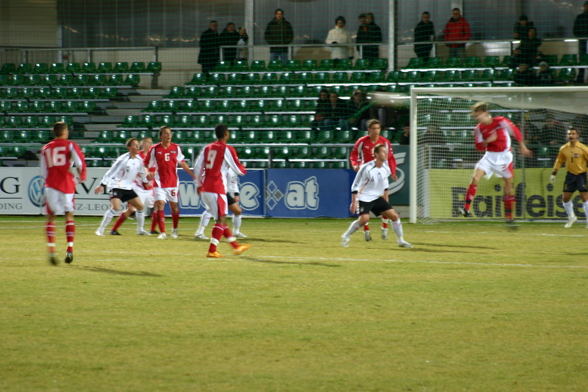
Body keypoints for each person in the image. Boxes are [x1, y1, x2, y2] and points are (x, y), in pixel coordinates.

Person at [457, 102, 532, 228]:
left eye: (479, 115)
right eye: (476, 116)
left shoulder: (500, 121)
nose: (478, 118)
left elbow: (515, 132)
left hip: (504, 157)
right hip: (490, 156)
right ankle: (466, 209)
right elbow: (479, 147)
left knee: (508, 189)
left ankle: (509, 219)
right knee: (475, 178)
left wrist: (522, 147)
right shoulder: (479, 129)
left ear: (486, 113)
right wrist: (488, 141)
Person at [193, 124, 251, 258]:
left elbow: (197, 166)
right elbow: (236, 168)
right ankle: (212, 250)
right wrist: (243, 171)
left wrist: (198, 184)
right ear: (226, 133)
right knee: (221, 219)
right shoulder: (226, 149)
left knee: (221, 219)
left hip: (206, 188)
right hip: (217, 188)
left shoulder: (207, 148)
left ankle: (236, 247)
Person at [341, 144, 412, 249]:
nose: (385, 154)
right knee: (364, 219)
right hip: (364, 197)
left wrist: (386, 199)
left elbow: (385, 184)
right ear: (376, 154)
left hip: (377, 197)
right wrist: (353, 202)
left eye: (386, 152)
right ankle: (346, 236)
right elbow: (355, 185)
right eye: (383, 152)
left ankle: (401, 240)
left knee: (395, 216)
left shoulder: (386, 168)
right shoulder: (366, 168)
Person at [40, 121, 86, 265]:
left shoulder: (46, 148)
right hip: (66, 184)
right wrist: (81, 176)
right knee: (69, 215)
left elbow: (43, 171)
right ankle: (70, 249)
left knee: (51, 217)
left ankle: (52, 250)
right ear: (65, 132)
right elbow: (80, 163)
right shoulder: (70, 145)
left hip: (51, 184)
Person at [144, 126, 197, 239]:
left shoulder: (176, 148)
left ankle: (175, 229)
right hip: (159, 181)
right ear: (161, 136)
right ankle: (162, 232)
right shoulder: (154, 149)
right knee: (160, 204)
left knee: (174, 207)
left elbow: (182, 163)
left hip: (173, 182)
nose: (169, 135)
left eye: (170, 133)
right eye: (166, 133)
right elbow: (146, 163)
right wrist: (148, 172)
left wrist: (192, 174)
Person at [350, 119, 398, 241]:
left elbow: (391, 158)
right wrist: (355, 164)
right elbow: (354, 154)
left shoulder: (385, 142)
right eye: (374, 128)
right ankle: (366, 230)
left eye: (378, 128)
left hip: (380, 174)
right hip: (366, 175)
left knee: (385, 200)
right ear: (369, 130)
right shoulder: (362, 141)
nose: (377, 131)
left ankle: (385, 227)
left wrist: (392, 171)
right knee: (364, 202)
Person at [94, 138, 151, 237]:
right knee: (115, 207)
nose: (137, 147)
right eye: (134, 145)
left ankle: (140, 230)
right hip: (116, 186)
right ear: (129, 148)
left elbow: (142, 172)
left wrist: (145, 182)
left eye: (138, 145)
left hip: (128, 188)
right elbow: (111, 171)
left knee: (140, 206)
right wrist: (102, 184)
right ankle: (100, 230)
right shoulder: (122, 159)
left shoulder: (139, 160)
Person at [107, 137, 157, 235]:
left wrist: (152, 174)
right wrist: (144, 175)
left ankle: (152, 229)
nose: (150, 145)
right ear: (143, 144)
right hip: (138, 186)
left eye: (151, 143)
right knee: (131, 209)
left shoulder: (153, 157)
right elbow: (135, 170)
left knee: (156, 207)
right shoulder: (138, 156)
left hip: (149, 187)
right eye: (148, 143)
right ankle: (114, 229)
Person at [194, 167, 247, 240]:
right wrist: (199, 185)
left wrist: (236, 193)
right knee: (212, 212)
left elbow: (233, 182)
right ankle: (200, 233)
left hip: (223, 192)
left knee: (237, 211)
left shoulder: (232, 169)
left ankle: (236, 232)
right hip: (214, 190)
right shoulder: (217, 165)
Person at [550, 128, 588, 228]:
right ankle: (571, 217)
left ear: (577, 136)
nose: (571, 135)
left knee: (584, 197)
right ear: (567, 136)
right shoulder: (563, 148)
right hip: (570, 175)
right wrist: (554, 173)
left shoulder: (583, 148)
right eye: (569, 134)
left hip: (581, 175)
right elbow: (559, 161)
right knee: (565, 198)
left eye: (573, 134)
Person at [573, 1, 588, 83]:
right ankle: (581, 77)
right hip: (582, 42)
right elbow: (575, 30)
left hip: (582, 41)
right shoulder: (580, 17)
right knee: (582, 59)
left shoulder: (580, 17)